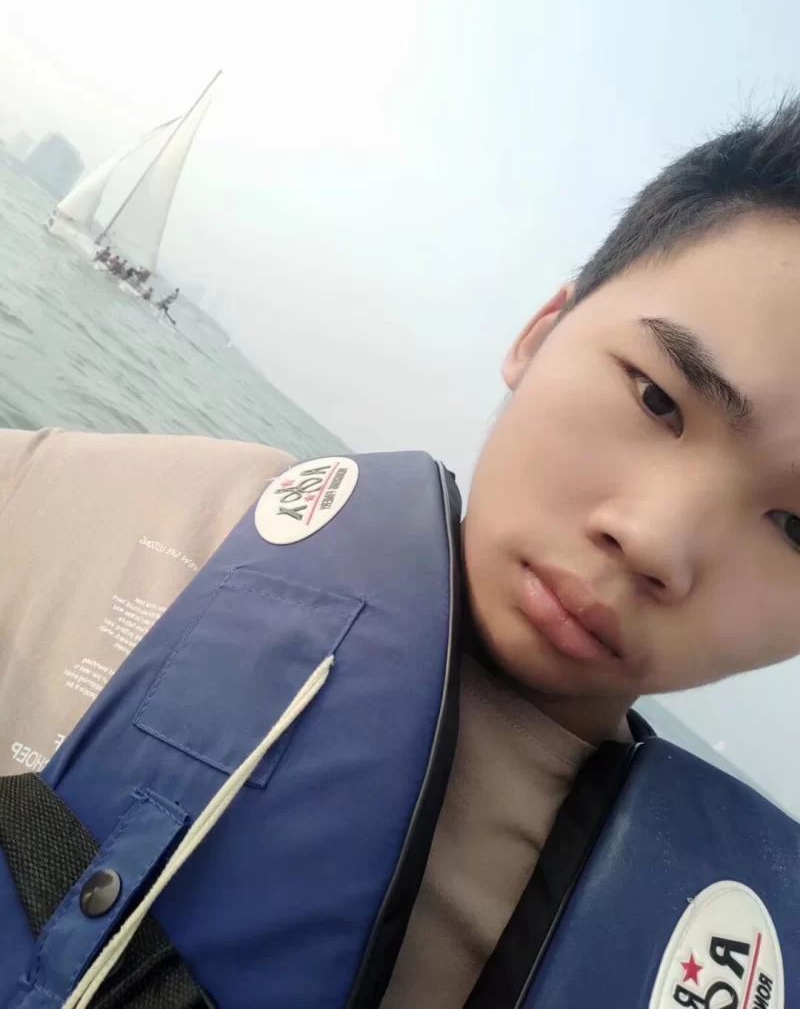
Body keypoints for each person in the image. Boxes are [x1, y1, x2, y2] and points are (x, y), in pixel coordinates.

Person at [4, 101, 800, 1006]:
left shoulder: (712, 945)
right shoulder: (145, 504)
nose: (655, 542)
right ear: (541, 333)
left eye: (796, 527)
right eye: (657, 398)